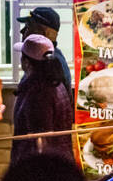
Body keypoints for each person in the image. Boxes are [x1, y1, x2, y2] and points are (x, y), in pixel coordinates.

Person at [10, 34, 75, 165]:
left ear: (27, 62)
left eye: (22, 56)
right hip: (61, 163)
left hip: (40, 171)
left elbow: (40, 142)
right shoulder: (57, 84)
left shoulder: (38, 93)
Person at [19, 7, 72, 94]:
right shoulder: (46, 59)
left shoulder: (47, 66)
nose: (22, 31)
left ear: (46, 34)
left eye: (28, 27)